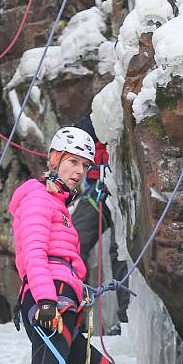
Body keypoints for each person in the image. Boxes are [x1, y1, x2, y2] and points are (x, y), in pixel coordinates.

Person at [9, 126, 138, 364]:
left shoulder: (60, 207)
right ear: (53, 159)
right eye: (72, 162)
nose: (79, 171)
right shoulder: (37, 198)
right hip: (47, 305)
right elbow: (34, 253)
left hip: (65, 309)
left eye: (84, 165)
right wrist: (47, 300)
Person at [70, 116, 129, 333]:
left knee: (122, 250)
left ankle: (128, 318)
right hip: (100, 190)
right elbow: (82, 132)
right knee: (72, 239)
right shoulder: (101, 111)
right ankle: (72, 313)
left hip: (125, 188)